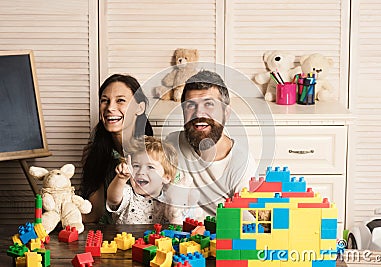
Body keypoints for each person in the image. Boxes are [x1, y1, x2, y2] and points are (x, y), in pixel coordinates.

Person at [166, 70, 257, 218]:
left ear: (226, 112)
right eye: (190, 105)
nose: (199, 113)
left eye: (209, 104)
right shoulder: (172, 144)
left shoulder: (242, 163)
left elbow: (247, 221)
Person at [79, 74, 153, 223]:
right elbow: (95, 213)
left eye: (120, 100)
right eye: (105, 101)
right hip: (110, 238)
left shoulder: (156, 153)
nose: (110, 108)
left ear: (140, 107)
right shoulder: (97, 153)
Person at [106, 136, 177, 224]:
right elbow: (113, 199)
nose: (141, 172)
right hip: (126, 237)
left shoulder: (168, 200)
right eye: (136, 166)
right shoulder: (128, 193)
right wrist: (121, 178)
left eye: (150, 167)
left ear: (166, 177)